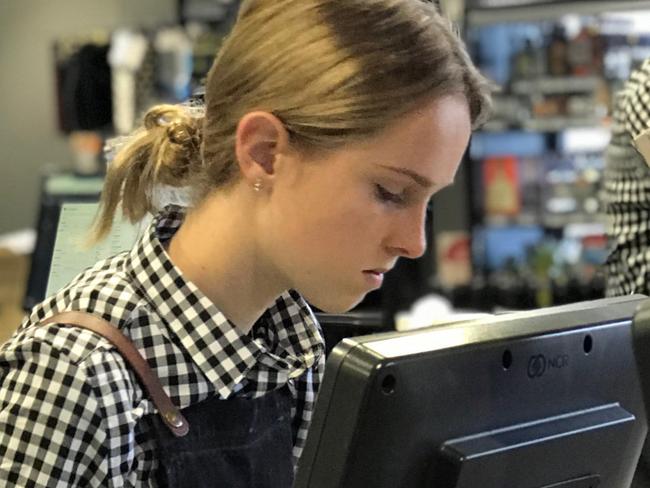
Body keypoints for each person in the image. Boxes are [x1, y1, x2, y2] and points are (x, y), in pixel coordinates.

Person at [0, 0, 491, 486]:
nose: (415, 242)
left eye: (426, 202)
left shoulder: (291, 351)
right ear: (264, 152)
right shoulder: (74, 377)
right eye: (391, 192)